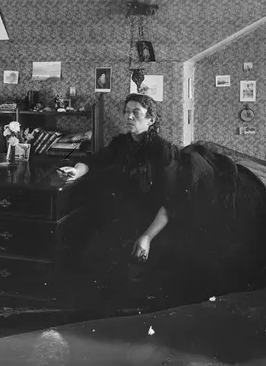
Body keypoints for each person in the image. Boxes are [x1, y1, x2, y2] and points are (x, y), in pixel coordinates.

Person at [59, 93, 179, 306]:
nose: (129, 117)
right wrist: (76, 171)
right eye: (127, 112)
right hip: (117, 218)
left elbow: (170, 201)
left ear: (151, 119)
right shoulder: (120, 144)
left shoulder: (164, 150)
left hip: (149, 225)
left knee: (125, 277)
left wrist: (147, 237)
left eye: (136, 113)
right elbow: (93, 161)